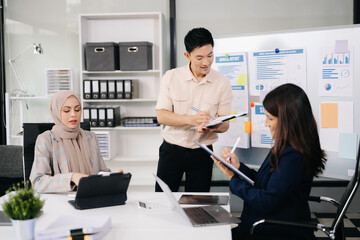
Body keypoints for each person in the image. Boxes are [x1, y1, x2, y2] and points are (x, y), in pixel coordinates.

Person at [212, 83, 326, 240]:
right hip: (268, 222)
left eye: (270, 118)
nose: (266, 123)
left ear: (288, 120)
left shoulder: (293, 155)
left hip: (275, 229)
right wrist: (238, 168)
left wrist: (233, 179)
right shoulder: (287, 146)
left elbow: (266, 201)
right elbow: (265, 182)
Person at [155, 27, 233, 192]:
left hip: (202, 152)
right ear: (187, 55)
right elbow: (161, 116)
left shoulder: (222, 82)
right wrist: (191, 120)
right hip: (172, 149)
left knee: (198, 204)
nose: (206, 62)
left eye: (210, 55)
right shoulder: (171, 77)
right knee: (162, 200)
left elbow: (225, 124)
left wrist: (211, 126)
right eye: (199, 57)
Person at [30, 90, 119, 193]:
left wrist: (112, 177)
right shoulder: (46, 140)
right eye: (67, 110)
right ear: (56, 112)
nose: (73, 114)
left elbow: (101, 172)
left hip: (91, 197)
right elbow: (37, 183)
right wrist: (72, 177)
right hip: (62, 202)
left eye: (77, 109)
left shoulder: (91, 138)